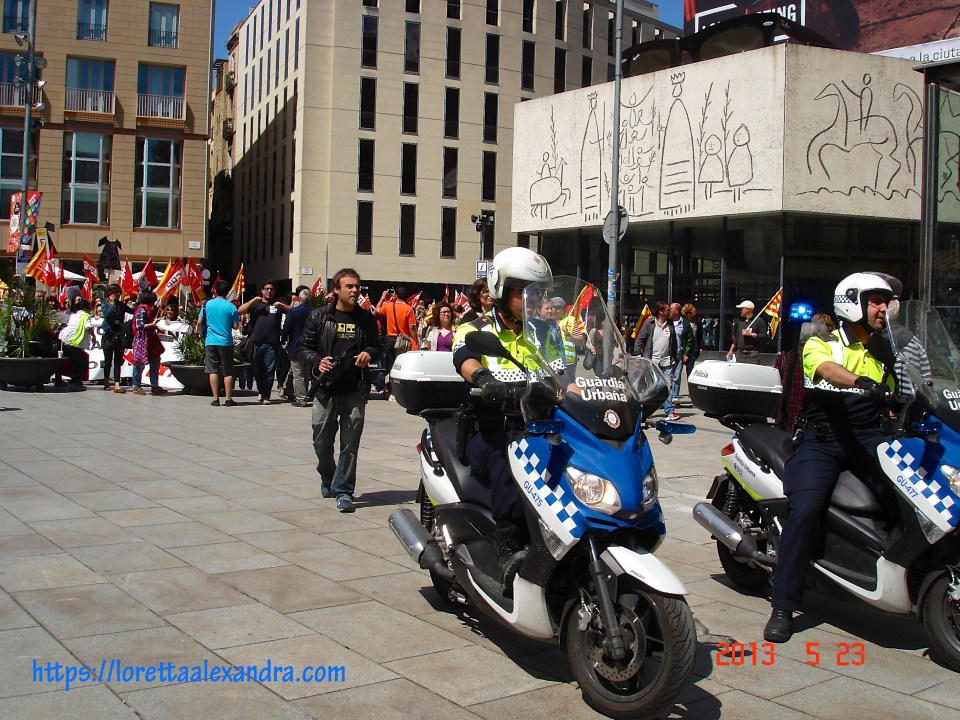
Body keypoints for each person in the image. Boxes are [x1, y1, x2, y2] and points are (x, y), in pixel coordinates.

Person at [764, 273, 896, 643]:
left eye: (885, 302)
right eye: (875, 301)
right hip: (824, 438)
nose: (883, 308)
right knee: (805, 509)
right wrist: (861, 382)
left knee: (905, 496)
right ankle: (783, 605)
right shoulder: (822, 343)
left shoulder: (888, 348)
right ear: (852, 301)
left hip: (870, 437)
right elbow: (827, 371)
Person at [452, 246, 554, 592]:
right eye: (525, 291)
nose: (534, 298)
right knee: (512, 459)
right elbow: (464, 357)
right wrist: (482, 378)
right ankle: (508, 545)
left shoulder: (546, 332)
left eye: (539, 291)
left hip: (537, 423)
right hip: (492, 427)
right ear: (500, 290)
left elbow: (566, 372)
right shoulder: (476, 329)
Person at [300, 268, 381, 513]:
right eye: (350, 286)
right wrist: (317, 360)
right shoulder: (319, 317)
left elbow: (376, 345)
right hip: (326, 389)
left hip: (354, 389)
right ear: (336, 289)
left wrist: (370, 353)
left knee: (350, 444)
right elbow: (302, 348)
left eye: (357, 286)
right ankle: (327, 475)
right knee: (321, 442)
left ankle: (344, 490)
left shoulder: (365, 318)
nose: (355, 290)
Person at [238, 280, 290, 404]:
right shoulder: (257, 304)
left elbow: (293, 311)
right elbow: (240, 310)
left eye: (271, 289)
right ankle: (261, 392)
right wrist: (252, 301)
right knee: (257, 369)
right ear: (262, 290)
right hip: (257, 341)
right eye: (267, 289)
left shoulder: (278, 304)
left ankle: (266, 396)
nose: (269, 291)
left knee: (269, 370)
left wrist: (283, 306)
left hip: (272, 343)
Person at [633, 301, 680, 420]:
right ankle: (648, 410)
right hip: (652, 361)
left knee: (666, 386)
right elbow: (640, 339)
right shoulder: (650, 323)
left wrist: (674, 357)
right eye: (667, 310)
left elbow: (673, 342)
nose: (670, 311)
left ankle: (669, 411)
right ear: (660, 311)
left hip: (667, 361)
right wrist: (638, 355)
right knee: (652, 387)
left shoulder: (670, 324)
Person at [198, 280, 241, 406]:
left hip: (210, 341)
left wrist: (201, 335)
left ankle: (215, 399)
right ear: (227, 292)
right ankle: (228, 399)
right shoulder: (231, 307)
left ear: (215, 291)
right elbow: (235, 326)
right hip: (225, 341)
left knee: (213, 370)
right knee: (227, 371)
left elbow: (200, 322)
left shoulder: (207, 305)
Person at [377, 286, 418, 394]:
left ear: (395, 295)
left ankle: (383, 387)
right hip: (403, 340)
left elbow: (376, 311)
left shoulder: (389, 306)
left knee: (387, 363)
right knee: (399, 365)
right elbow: (412, 327)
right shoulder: (409, 309)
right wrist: (415, 341)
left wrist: (382, 298)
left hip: (389, 338)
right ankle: (395, 388)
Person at [282, 288, 314, 405]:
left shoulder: (294, 312)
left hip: (296, 346)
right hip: (309, 347)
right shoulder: (313, 312)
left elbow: (286, 328)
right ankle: (299, 394)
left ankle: (301, 398)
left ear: (299, 299)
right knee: (305, 373)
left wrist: (284, 340)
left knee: (298, 374)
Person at [131, 290, 166, 396]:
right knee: (139, 364)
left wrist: (155, 327)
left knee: (155, 362)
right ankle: (136, 386)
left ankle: (154, 386)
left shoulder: (149, 310)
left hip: (151, 340)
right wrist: (153, 324)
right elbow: (140, 326)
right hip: (142, 341)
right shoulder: (142, 310)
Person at [58, 299, 97, 391]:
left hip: (65, 342)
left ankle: (74, 381)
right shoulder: (86, 315)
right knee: (83, 364)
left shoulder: (73, 315)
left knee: (75, 364)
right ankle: (76, 382)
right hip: (74, 343)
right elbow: (88, 327)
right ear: (86, 308)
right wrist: (93, 336)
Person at [100, 284, 131, 393]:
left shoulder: (121, 305)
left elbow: (131, 311)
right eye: (115, 292)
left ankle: (117, 384)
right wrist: (112, 305)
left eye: (119, 292)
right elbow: (107, 315)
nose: (118, 295)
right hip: (108, 336)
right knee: (108, 360)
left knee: (118, 361)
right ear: (110, 293)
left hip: (119, 335)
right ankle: (106, 381)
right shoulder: (104, 304)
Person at [727, 299, 768, 364]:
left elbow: (764, 336)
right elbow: (737, 337)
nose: (740, 311)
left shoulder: (759, 321)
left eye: (742, 309)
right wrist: (731, 350)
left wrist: (751, 334)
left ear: (748, 310)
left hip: (752, 355)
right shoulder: (740, 322)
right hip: (740, 354)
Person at [680, 303, 701, 383]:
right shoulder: (681, 322)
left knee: (690, 370)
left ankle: (690, 389)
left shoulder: (697, 322)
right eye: (686, 313)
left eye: (690, 313)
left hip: (693, 349)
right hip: (682, 348)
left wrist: (700, 346)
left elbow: (699, 335)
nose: (688, 315)